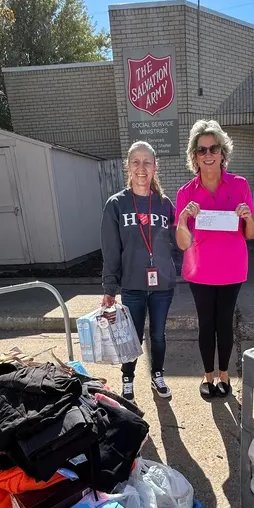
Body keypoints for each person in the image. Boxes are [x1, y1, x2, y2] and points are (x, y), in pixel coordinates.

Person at [175, 120, 254, 398]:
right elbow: (182, 242)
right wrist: (184, 219)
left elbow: (251, 233)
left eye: (213, 148)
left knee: (224, 323)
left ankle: (225, 374)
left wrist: (248, 218)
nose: (208, 154)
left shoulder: (239, 185)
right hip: (200, 271)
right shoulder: (186, 193)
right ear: (194, 156)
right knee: (205, 324)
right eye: (201, 150)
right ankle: (207, 375)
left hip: (232, 269)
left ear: (223, 152)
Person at [101, 141, 176, 402]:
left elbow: (180, 240)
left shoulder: (165, 204)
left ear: (155, 167)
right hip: (132, 284)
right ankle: (128, 377)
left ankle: (157, 375)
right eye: (136, 162)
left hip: (162, 285)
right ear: (129, 167)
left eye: (147, 162)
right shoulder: (116, 204)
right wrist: (109, 288)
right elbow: (111, 250)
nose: (141, 167)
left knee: (158, 334)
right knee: (130, 336)